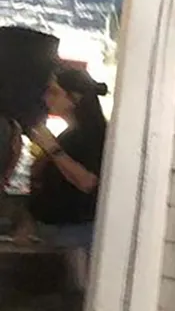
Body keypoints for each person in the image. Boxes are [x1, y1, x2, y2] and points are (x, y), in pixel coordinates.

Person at [16, 68, 109, 302]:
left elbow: (88, 182)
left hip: (76, 236)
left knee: (76, 298)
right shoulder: (70, 135)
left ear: (74, 98)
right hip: (57, 235)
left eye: (55, 93)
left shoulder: (94, 136)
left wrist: (53, 150)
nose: (48, 99)